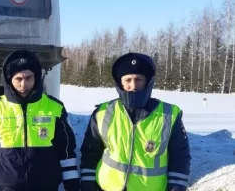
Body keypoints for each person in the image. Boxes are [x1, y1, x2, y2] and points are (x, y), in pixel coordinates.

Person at [79, 52, 191, 191]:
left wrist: (177, 187)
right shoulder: (103, 112)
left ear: (148, 81)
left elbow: (180, 157)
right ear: (120, 82)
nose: (133, 85)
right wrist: (87, 185)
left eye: (138, 79)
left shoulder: (169, 115)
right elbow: (90, 152)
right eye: (128, 80)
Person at [0, 50, 80, 191]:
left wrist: (73, 187)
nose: (23, 84)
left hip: (46, 184)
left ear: (36, 78)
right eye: (18, 79)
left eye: (28, 78)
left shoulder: (55, 108)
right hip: (8, 185)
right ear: (9, 79)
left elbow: (66, 152)